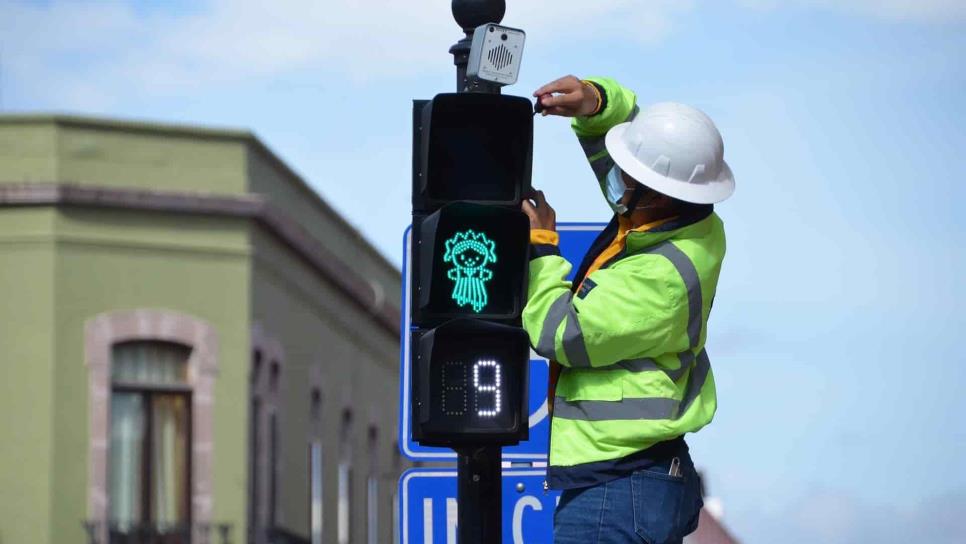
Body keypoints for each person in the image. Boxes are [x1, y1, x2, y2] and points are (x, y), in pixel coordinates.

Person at [521, 75, 735, 544]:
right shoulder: (685, 219)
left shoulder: (662, 277)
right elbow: (643, 160)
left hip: (619, 486)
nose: (617, 183)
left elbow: (559, 333)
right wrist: (596, 102)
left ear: (659, 194)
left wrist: (542, 247)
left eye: (631, 179)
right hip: (636, 479)